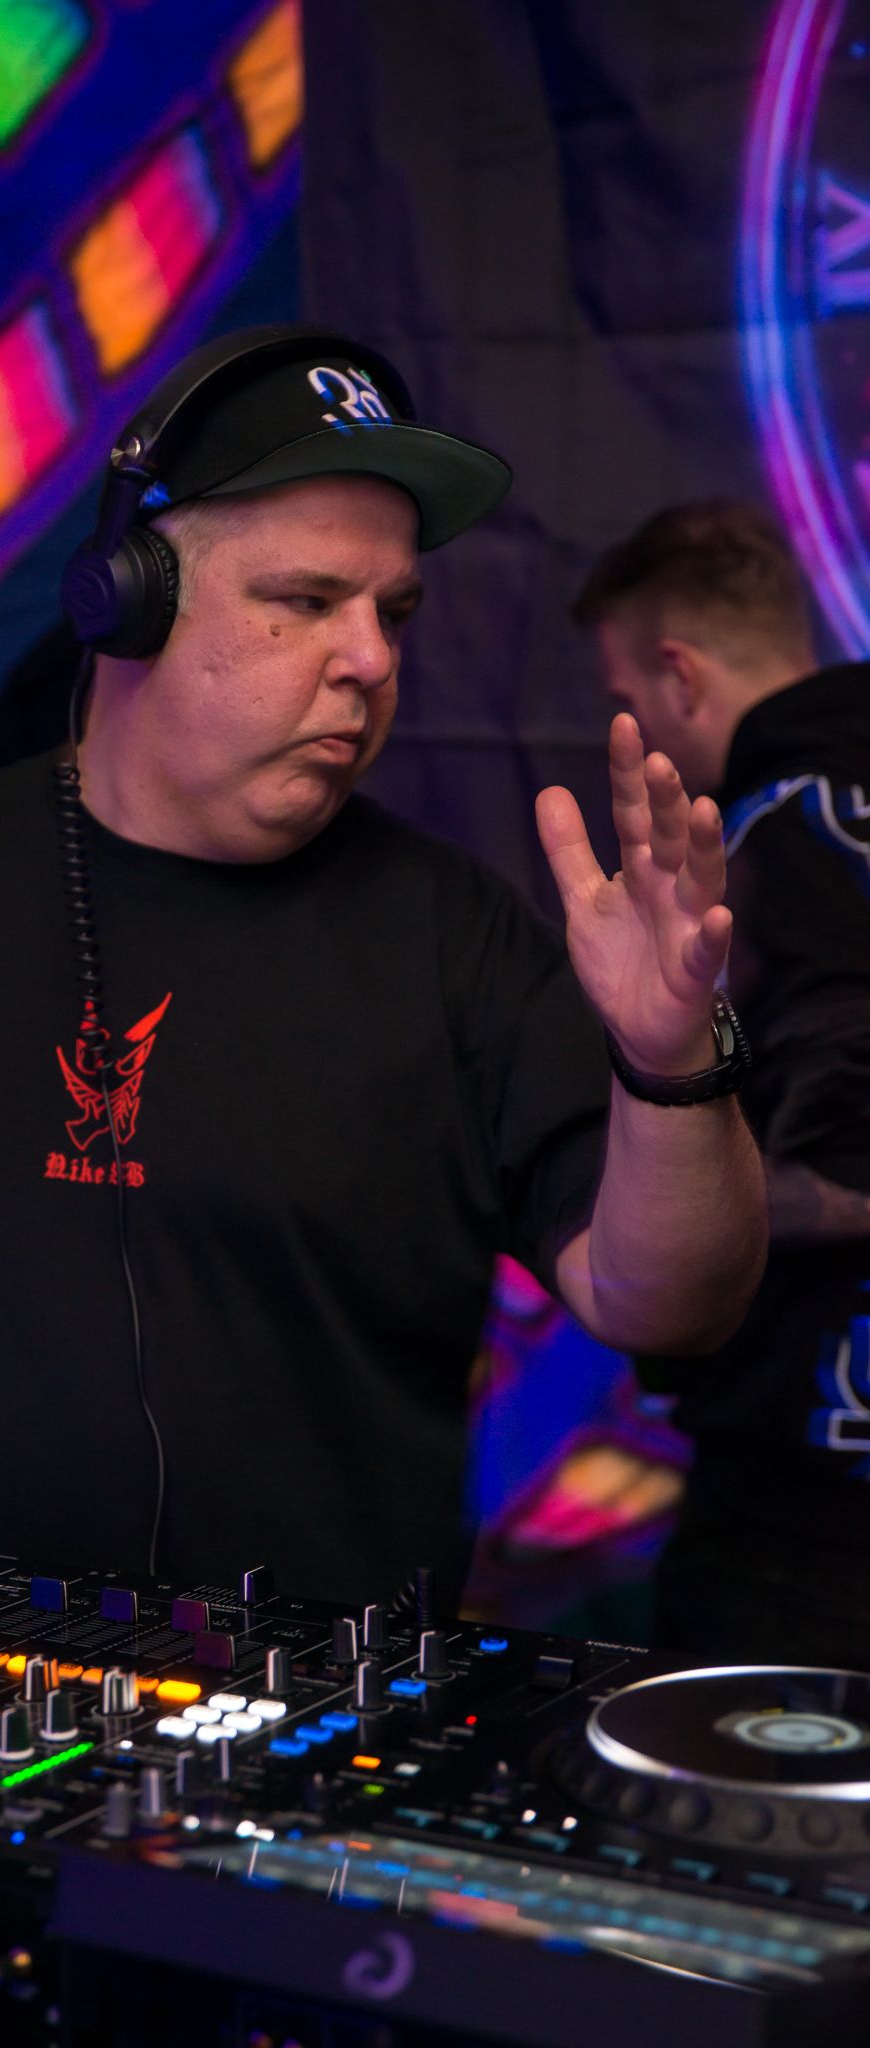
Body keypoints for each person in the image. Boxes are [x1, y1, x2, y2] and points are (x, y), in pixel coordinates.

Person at [0, 327, 764, 1610]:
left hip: (325, 1689)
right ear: (131, 600)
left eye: (390, 612)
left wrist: (673, 1063)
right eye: (306, 600)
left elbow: (665, 1304)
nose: (372, 659)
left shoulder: (455, 935)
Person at [575, 496, 870, 1663]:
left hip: (809, 1499)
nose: (634, 724)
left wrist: (665, 1203)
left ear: (677, 673)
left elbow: (848, 1141)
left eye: (627, 695)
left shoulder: (764, 839)